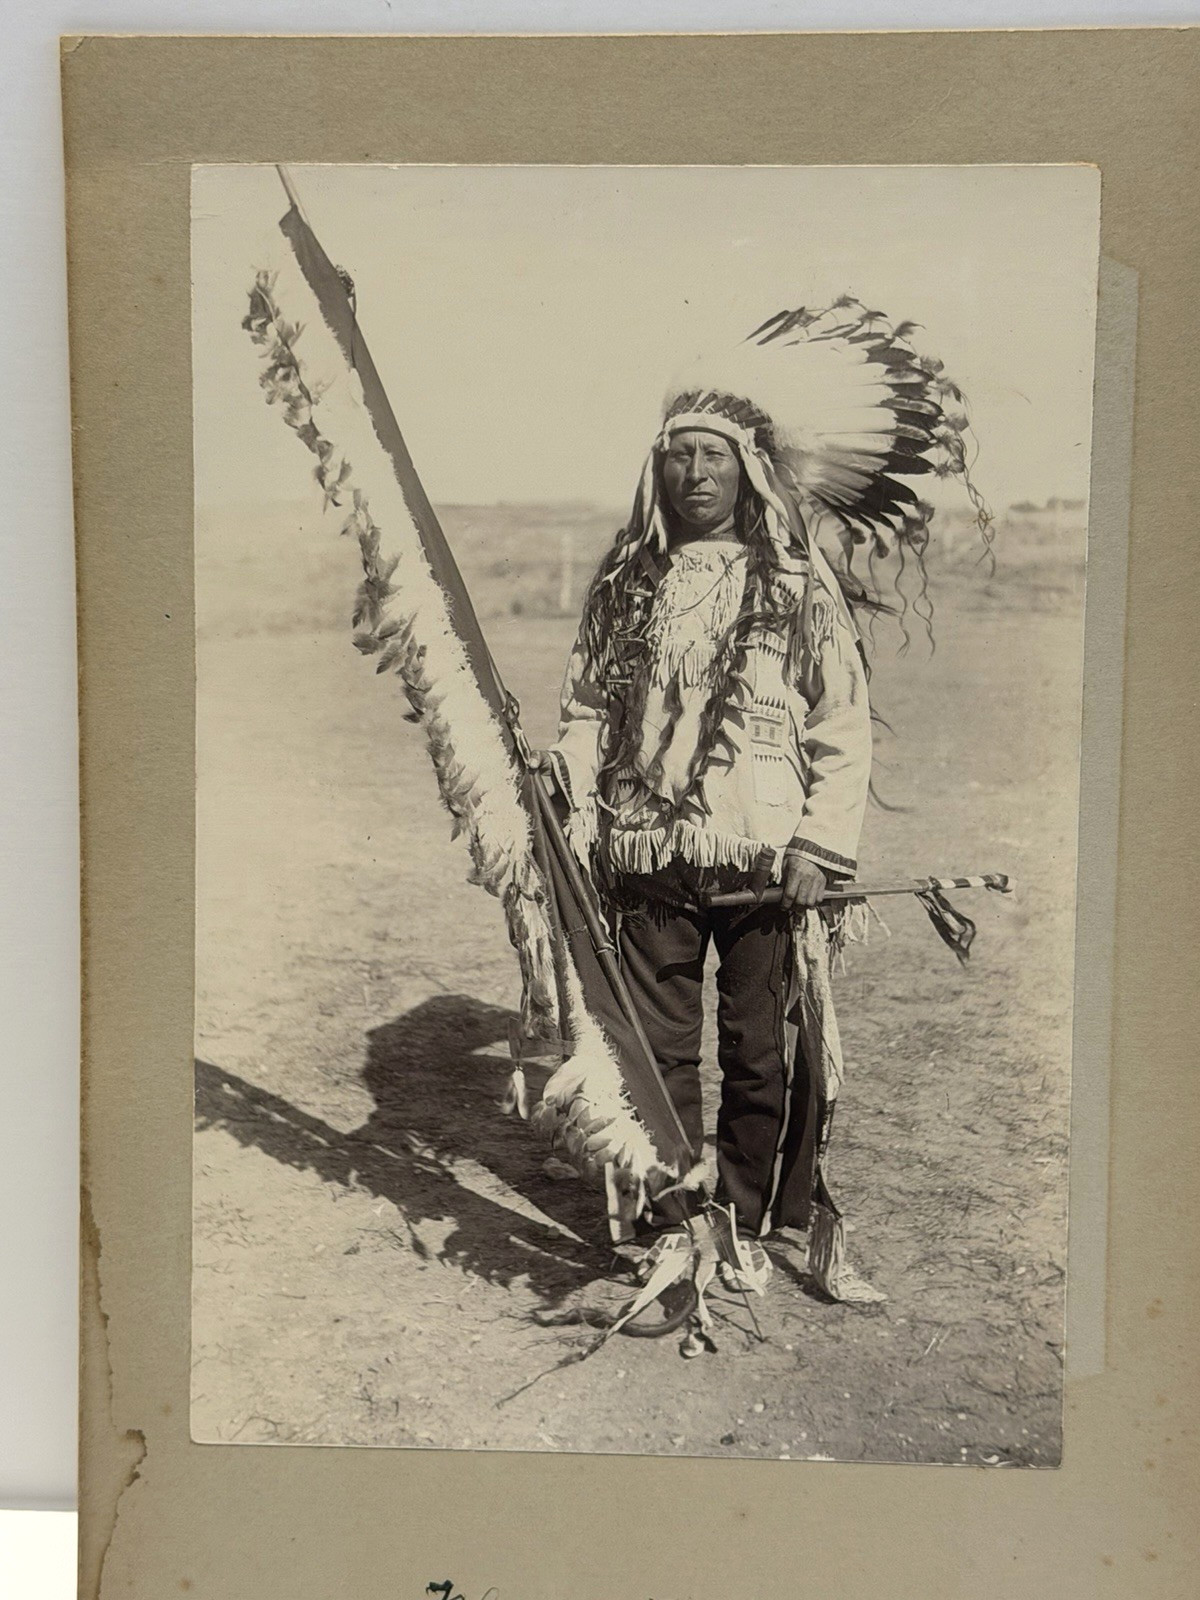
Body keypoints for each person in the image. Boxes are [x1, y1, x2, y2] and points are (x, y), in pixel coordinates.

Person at [541, 383, 874, 1244]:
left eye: (714, 455)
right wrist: (564, 781)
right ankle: (674, 1218)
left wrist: (820, 844)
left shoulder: (796, 583)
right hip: (648, 852)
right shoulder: (626, 582)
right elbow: (587, 713)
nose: (696, 472)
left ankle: (744, 1212)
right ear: (659, 468)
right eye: (681, 455)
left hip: (765, 858)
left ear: (746, 471)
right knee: (657, 1054)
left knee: (758, 1054)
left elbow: (840, 719)